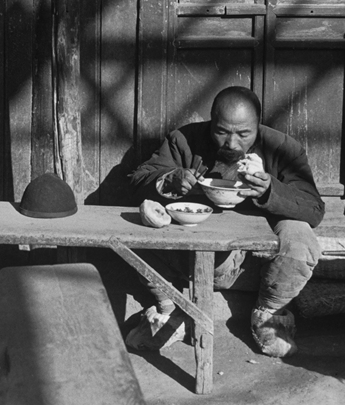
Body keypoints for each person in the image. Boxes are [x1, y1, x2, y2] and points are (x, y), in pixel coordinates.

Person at [127, 86, 324, 358]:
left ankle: (268, 315)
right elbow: (139, 181)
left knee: (299, 235)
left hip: (253, 266)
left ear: (258, 125)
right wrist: (170, 179)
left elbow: (313, 208)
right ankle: (169, 310)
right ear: (211, 122)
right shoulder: (184, 140)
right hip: (188, 257)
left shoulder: (282, 148)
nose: (231, 143)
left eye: (243, 134)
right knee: (137, 223)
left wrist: (270, 190)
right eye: (222, 132)